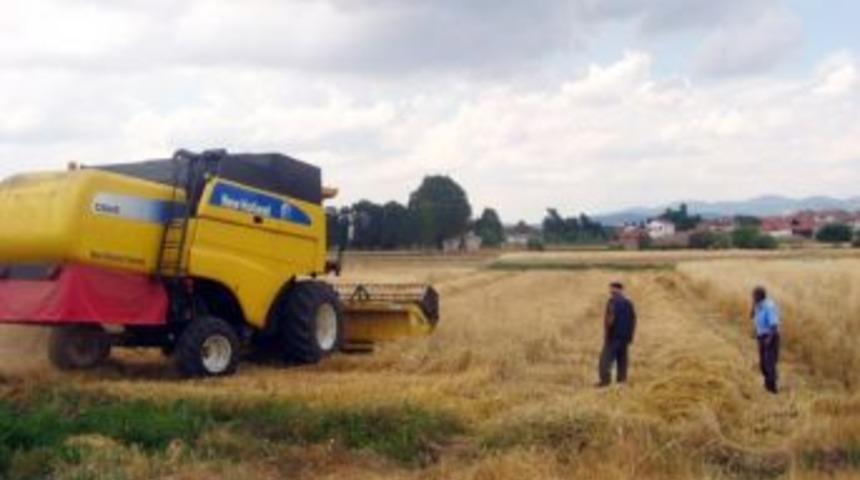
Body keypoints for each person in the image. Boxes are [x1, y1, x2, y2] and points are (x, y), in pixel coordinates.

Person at [597, 281, 637, 387]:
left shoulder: (612, 302)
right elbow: (633, 320)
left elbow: (610, 319)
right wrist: (630, 336)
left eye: (612, 289)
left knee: (605, 360)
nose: (611, 291)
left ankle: (605, 381)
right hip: (625, 337)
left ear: (617, 289)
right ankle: (621, 381)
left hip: (614, 336)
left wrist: (607, 334)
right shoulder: (628, 303)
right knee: (622, 359)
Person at [751, 286, 780, 394]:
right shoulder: (758, 305)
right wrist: (753, 306)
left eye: (754, 295)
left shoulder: (769, 306)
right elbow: (752, 316)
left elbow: (774, 325)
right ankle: (770, 380)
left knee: (769, 363)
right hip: (761, 336)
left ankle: (772, 388)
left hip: (770, 337)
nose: (752, 297)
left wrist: (769, 339)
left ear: (760, 296)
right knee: (763, 364)